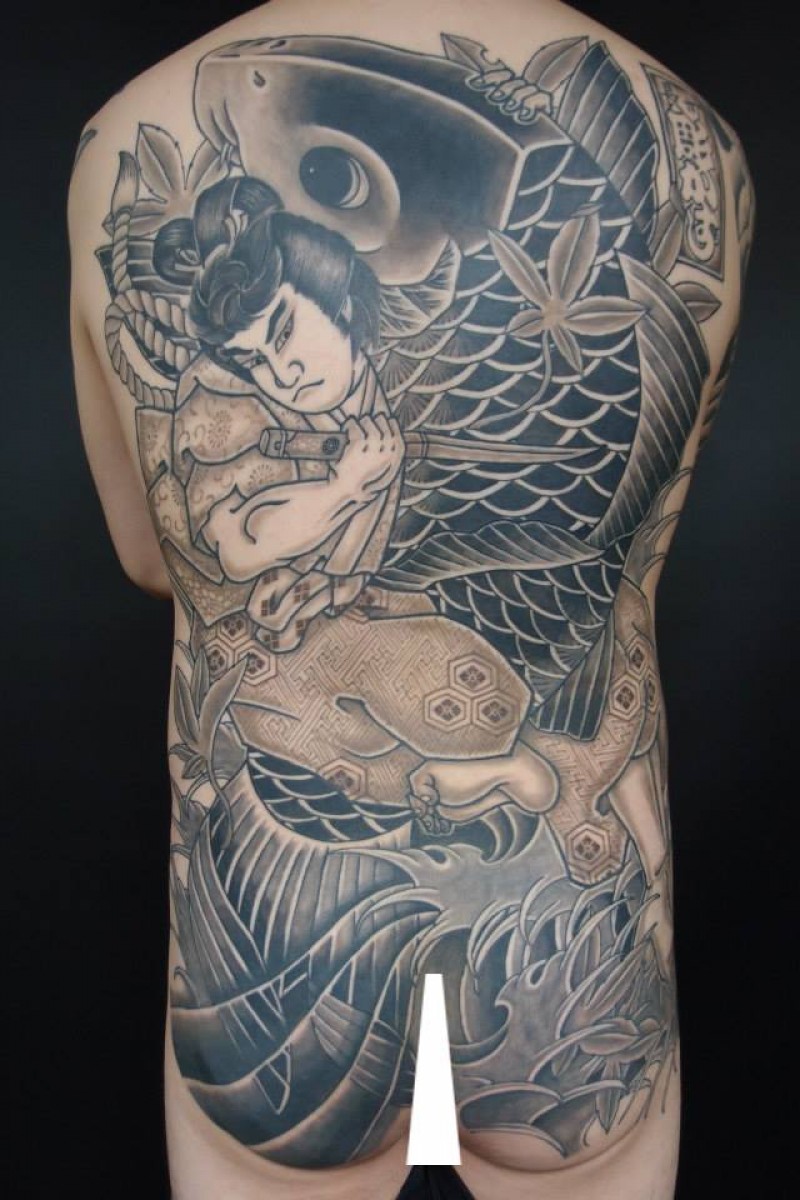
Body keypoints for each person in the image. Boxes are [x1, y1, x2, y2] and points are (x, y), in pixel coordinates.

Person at [68, 3, 754, 1199]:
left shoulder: (119, 133)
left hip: (278, 961)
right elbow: (631, 555)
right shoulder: (691, 136)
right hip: (568, 953)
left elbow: (149, 555)